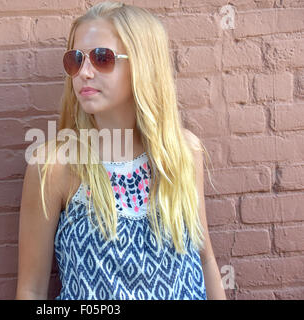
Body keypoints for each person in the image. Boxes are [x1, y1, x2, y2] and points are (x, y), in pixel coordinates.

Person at [15, 1, 226, 300]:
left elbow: (205, 260)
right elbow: (31, 290)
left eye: (102, 58)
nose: (84, 73)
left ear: (143, 64)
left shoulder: (182, 153)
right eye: (76, 59)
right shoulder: (55, 166)